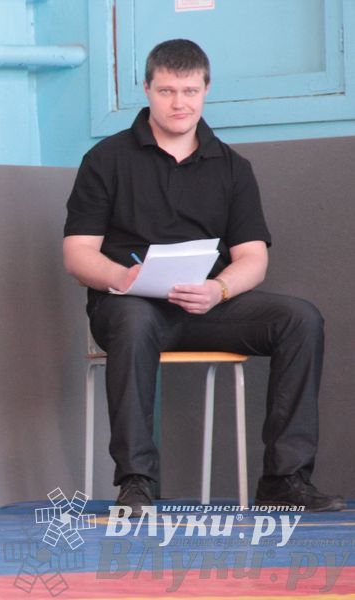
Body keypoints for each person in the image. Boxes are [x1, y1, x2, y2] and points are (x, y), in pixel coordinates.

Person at [62, 39, 344, 516]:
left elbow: (252, 257)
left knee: (300, 319)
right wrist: (122, 276)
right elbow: (77, 254)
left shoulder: (232, 167)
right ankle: (136, 482)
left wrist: (219, 289)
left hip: (205, 306)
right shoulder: (106, 160)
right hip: (131, 306)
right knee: (133, 320)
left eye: (190, 90)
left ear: (206, 90)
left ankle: (283, 480)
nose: (180, 102)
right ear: (147, 90)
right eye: (168, 90)